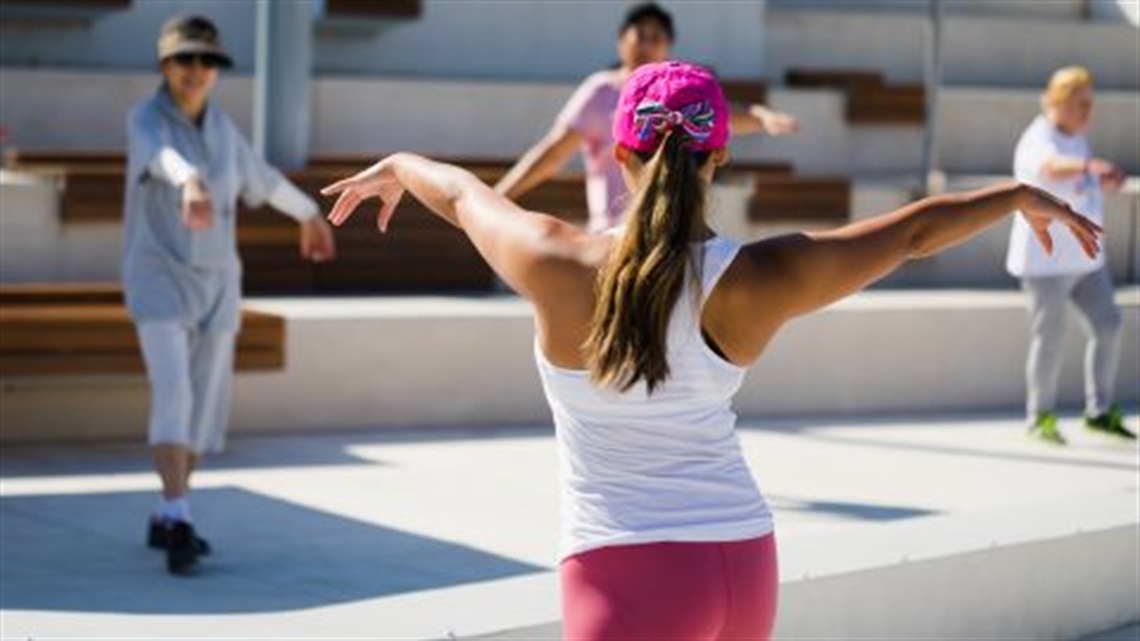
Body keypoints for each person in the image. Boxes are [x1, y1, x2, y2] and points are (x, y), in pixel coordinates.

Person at [322, 61, 1100, 640]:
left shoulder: (552, 258)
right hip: (742, 561)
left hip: (623, 573)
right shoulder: (762, 275)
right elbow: (912, 233)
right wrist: (1015, 195)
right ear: (719, 159)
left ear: (619, 157)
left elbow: (460, 194)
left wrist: (396, 167)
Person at [123, 15, 336, 575]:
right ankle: (178, 514)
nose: (196, 71)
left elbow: (262, 179)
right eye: (184, 60)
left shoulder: (224, 131)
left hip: (219, 283)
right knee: (174, 394)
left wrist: (309, 212)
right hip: (158, 275)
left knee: (201, 412)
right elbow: (160, 159)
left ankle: (169, 509)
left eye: (206, 62)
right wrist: (189, 181)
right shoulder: (146, 120)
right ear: (166, 66)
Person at [495, 2, 798, 232]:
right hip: (613, 232)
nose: (646, 44)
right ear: (621, 40)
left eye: (656, 37)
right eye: (640, 35)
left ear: (668, 45)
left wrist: (761, 116)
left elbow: (721, 117)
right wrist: (501, 195)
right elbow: (552, 152)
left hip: (670, 233)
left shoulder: (679, 93)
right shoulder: (601, 91)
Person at [1007, 65, 1133, 445]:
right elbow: (1047, 168)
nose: (1087, 113)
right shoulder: (1038, 136)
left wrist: (1098, 180)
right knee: (1051, 337)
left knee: (1109, 324)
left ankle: (1099, 411)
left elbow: (1077, 181)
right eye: (1081, 104)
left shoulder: (1078, 139)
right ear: (1059, 102)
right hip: (1047, 263)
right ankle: (1039, 417)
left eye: (1090, 105)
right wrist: (1090, 167)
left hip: (1085, 261)